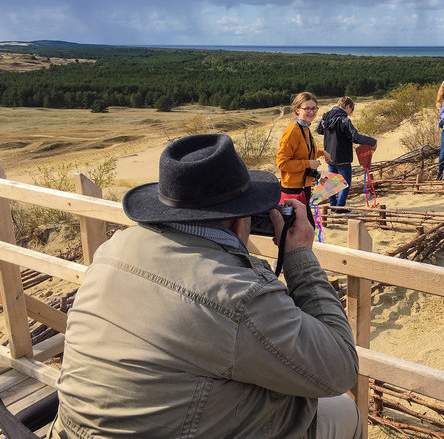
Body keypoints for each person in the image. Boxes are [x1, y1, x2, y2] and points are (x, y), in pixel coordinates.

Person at [47, 133, 362, 438]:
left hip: (69, 429)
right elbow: (341, 368)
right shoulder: (236, 295)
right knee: (343, 411)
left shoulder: (112, 249)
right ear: (240, 220)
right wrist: (299, 259)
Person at [277, 92, 331, 226]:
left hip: (303, 188)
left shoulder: (305, 128)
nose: (311, 112)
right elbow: (282, 163)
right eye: (307, 108)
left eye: (314, 108)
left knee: (305, 229)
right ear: (297, 109)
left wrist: (320, 152)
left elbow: (303, 152)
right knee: (299, 229)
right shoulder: (292, 132)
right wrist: (308, 163)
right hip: (293, 191)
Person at [316, 96, 377, 212]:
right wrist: (372, 141)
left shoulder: (326, 116)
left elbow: (319, 130)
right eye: (351, 110)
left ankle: (333, 207)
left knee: (330, 182)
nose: (350, 113)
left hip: (329, 155)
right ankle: (340, 208)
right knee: (345, 183)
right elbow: (355, 136)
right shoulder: (344, 119)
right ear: (348, 106)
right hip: (343, 155)